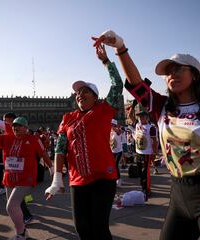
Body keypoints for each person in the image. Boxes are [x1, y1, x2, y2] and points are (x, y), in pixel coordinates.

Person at [93, 30, 200, 240]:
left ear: (195, 74)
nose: (172, 74)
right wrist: (120, 47)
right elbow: (136, 81)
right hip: (178, 195)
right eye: (168, 72)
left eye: (178, 69)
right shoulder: (161, 106)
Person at [45, 44, 123, 240]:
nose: (79, 94)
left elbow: (117, 85)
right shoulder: (68, 117)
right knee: (82, 228)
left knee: (99, 228)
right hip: (78, 180)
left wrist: (105, 61)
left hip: (103, 178)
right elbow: (60, 147)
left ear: (95, 96)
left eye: (84, 91)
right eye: (77, 93)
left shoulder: (104, 109)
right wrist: (57, 178)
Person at [0, 113, 52, 240]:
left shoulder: (33, 139)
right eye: (14, 126)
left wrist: (52, 169)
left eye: (19, 126)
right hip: (9, 178)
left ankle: (21, 234)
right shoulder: (7, 138)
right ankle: (23, 231)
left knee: (11, 206)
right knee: (13, 207)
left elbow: (43, 153)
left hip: (26, 178)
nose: (15, 128)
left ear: (26, 127)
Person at [128, 109, 158, 199]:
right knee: (140, 172)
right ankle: (143, 187)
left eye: (143, 117)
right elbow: (130, 116)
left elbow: (154, 142)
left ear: (147, 118)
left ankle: (147, 190)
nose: (140, 118)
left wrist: (155, 153)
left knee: (145, 173)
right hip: (138, 153)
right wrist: (132, 108)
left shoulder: (151, 128)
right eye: (139, 117)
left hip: (147, 153)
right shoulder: (137, 124)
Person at [110, 119, 123, 186]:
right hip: (111, 152)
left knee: (115, 165)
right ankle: (113, 178)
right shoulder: (109, 132)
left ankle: (119, 179)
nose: (110, 126)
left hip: (118, 151)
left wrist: (114, 128)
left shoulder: (118, 131)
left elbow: (119, 132)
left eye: (112, 125)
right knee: (112, 166)